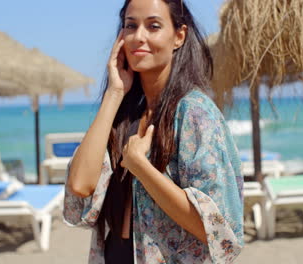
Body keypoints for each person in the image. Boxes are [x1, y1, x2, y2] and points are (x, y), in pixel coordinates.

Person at [63, 0, 244, 263]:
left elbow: (218, 230)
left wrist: (141, 167)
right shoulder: (124, 113)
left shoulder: (194, 112)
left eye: (153, 26)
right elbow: (80, 185)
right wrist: (114, 93)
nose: (139, 37)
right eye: (130, 26)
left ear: (179, 36)